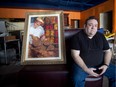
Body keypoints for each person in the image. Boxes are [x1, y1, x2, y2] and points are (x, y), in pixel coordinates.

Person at [71, 16, 116, 87]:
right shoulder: (77, 37)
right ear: (85, 26)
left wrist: (106, 65)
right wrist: (86, 69)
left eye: (95, 25)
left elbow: (108, 51)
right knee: (77, 79)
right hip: (82, 66)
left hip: (101, 64)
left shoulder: (101, 36)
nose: (93, 27)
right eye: (90, 25)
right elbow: (75, 55)